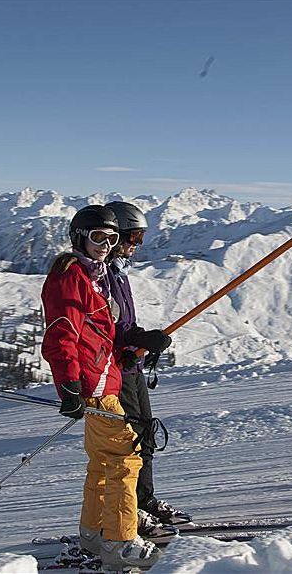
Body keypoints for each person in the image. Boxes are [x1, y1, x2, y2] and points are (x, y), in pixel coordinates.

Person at [40, 204, 160, 572]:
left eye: (111, 238)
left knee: (103, 463)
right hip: (94, 383)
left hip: (105, 378)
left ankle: (93, 535)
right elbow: (61, 336)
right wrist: (70, 387)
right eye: (97, 238)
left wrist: (135, 341)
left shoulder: (93, 276)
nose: (105, 245)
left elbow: (99, 334)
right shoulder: (70, 277)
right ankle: (120, 543)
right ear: (80, 237)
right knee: (125, 459)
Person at [105, 201, 192, 532]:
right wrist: (138, 339)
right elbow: (105, 327)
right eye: (134, 237)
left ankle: (144, 499)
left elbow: (123, 322)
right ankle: (131, 507)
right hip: (116, 369)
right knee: (130, 439)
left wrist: (142, 343)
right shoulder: (102, 276)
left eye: (140, 238)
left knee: (145, 433)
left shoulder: (119, 273)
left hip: (130, 364)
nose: (136, 245)